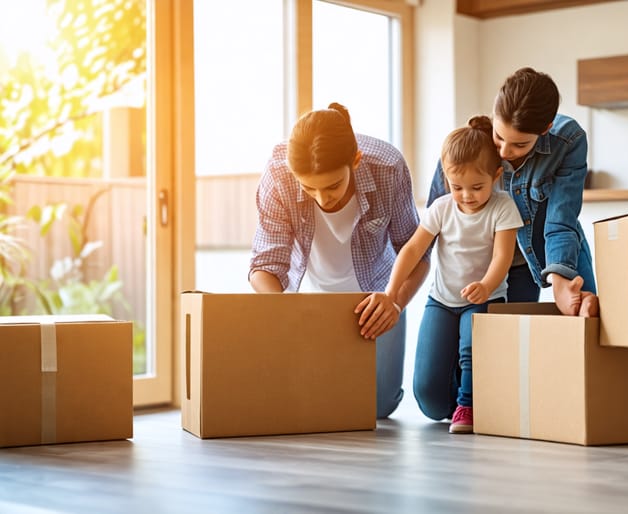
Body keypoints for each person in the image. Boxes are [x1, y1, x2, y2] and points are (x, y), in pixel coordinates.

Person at [249, 103, 429, 419]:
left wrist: (394, 303)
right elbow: (265, 264)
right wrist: (281, 313)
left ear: (356, 161)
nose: (322, 199)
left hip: (377, 298)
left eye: (332, 185)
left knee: (378, 406)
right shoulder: (279, 173)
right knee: (305, 399)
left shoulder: (388, 167)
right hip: (302, 303)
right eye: (308, 187)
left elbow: (416, 253)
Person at [377, 116, 523, 433]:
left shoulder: (503, 207)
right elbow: (413, 251)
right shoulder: (441, 208)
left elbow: (503, 256)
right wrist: (391, 292)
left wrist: (486, 285)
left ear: (497, 176)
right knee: (430, 402)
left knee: (469, 348)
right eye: (457, 187)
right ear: (446, 179)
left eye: (477, 187)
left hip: (484, 299)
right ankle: (456, 401)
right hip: (442, 300)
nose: (467, 196)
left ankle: (468, 406)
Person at [427, 67, 597, 317]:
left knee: (585, 314)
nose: (505, 152)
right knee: (475, 344)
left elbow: (561, 220)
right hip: (480, 263)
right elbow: (436, 219)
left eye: (520, 145)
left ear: (546, 129)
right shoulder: (471, 142)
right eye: (499, 137)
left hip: (533, 256)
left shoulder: (568, 141)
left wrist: (560, 279)